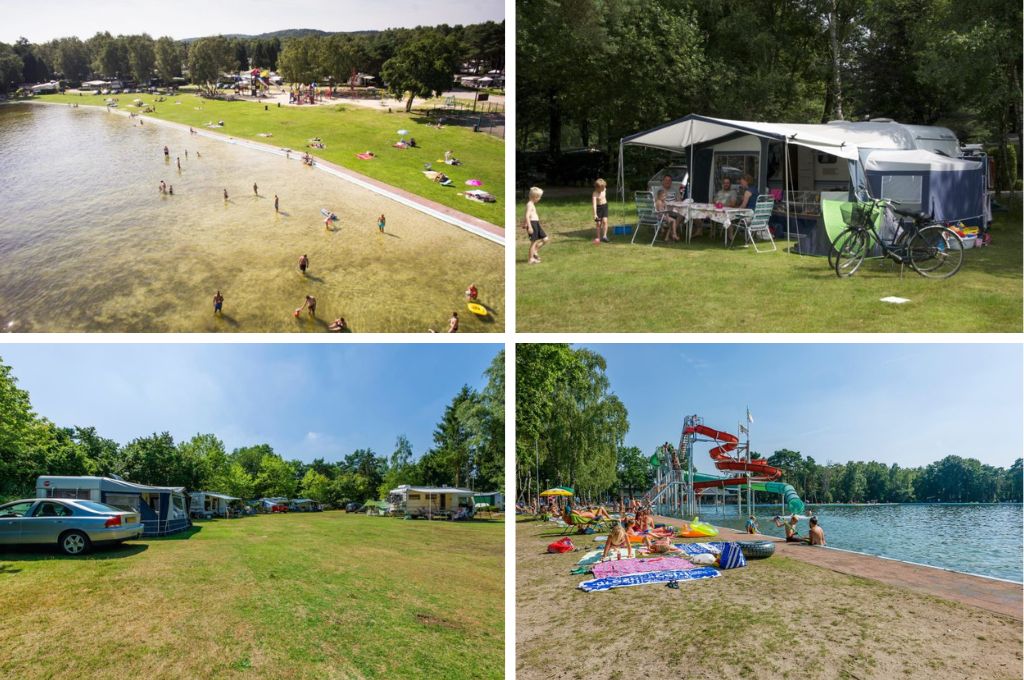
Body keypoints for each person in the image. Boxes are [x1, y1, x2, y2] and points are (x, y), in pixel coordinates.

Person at [525, 186, 548, 264]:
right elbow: (527, 215)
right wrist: (529, 227)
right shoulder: (529, 204)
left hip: (536, 223)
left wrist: (524, 223)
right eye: (539, 197)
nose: (540, 199)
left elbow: (530, 215)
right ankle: (531, 259)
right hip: (532, 224)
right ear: (535, 197)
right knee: (533, 242)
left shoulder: (531, 204)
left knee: (545, 239)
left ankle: (535, 251)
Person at [592, 178, 610, 243]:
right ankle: (598, 237)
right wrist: (595, 214)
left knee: (605, 221)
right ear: (597, 187)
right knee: (598, 223)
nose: (603, 189)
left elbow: (604, 185)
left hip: (605, 206)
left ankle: (605, 236)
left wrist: (603, 186)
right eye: (602, 188)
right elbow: (594, 205)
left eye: (604, 187)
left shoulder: (604, 189)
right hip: (598, 208)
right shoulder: (595, 194)